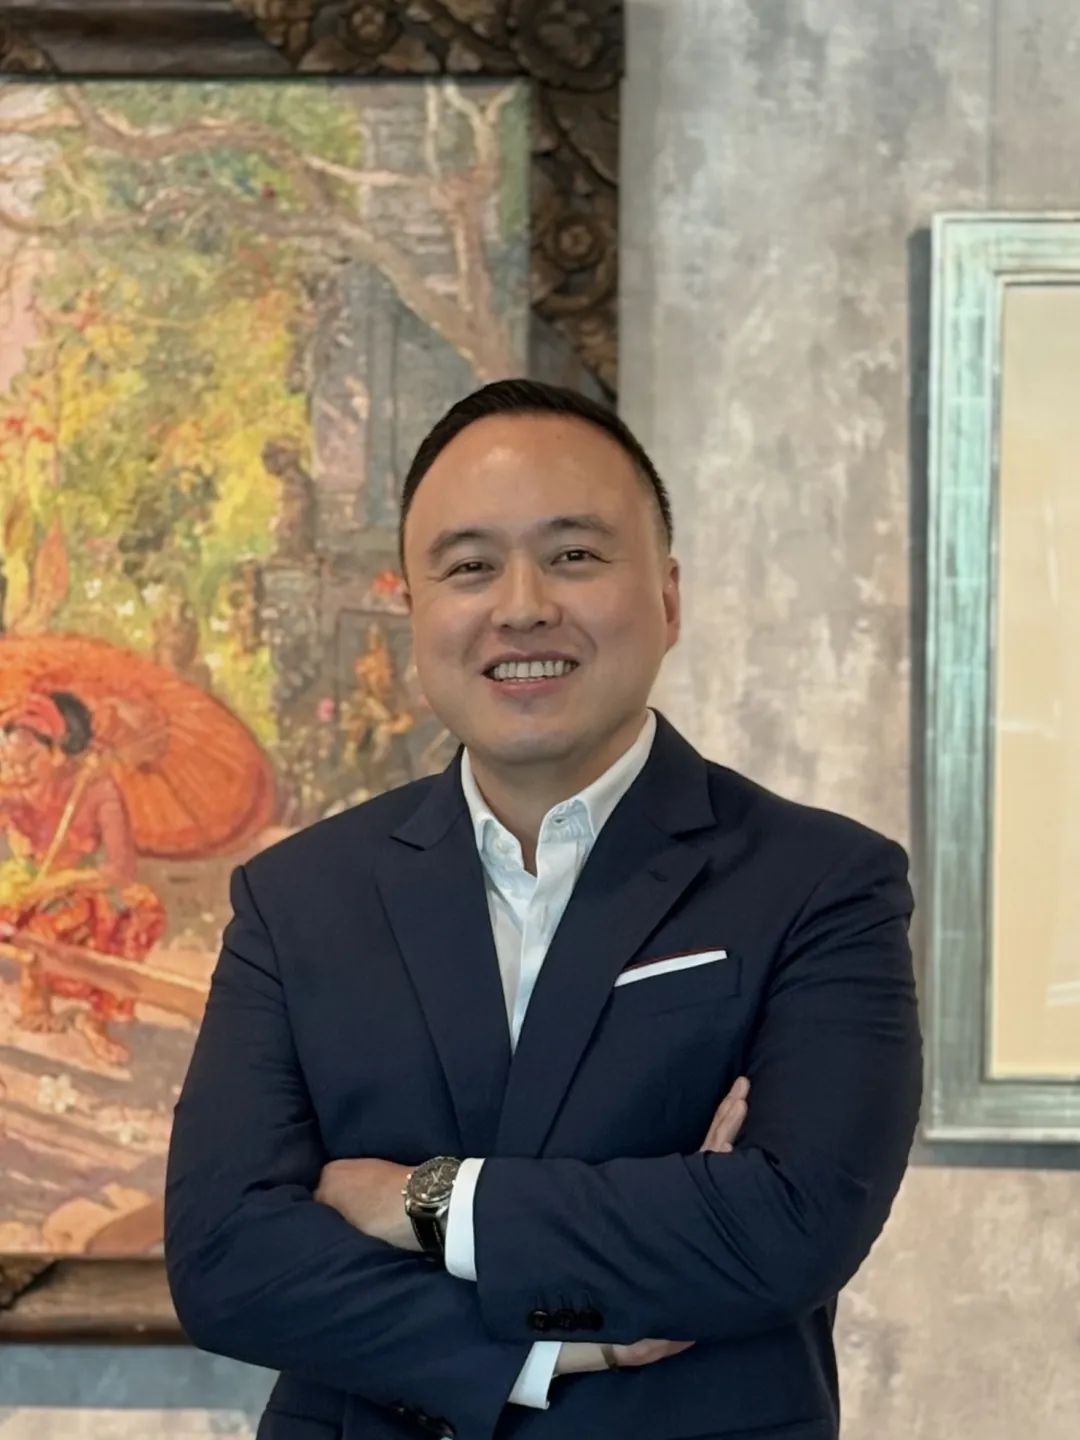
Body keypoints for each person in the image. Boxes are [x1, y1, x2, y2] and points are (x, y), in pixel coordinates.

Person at [165, 380, 922, 1440]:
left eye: (573, 555)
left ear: (667, 598)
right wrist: (556, 1344)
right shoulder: (298, 898)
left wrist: (420, 1201)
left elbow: (788, 1227)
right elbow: (225, 1261)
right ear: (415, 609)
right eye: (470, 567)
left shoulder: (820, 881)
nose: (521, 606)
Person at [0, 689, 165, 1065]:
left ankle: (98, 1018)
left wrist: (63, 882)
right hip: (23, 891)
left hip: (78, 888)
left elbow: (120, 870)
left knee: (142, 907)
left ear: (57, 750)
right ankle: (35, 997)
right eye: (9, 760)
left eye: (29, 761)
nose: (19, 771)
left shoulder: (97, 789)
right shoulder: (10, 790)